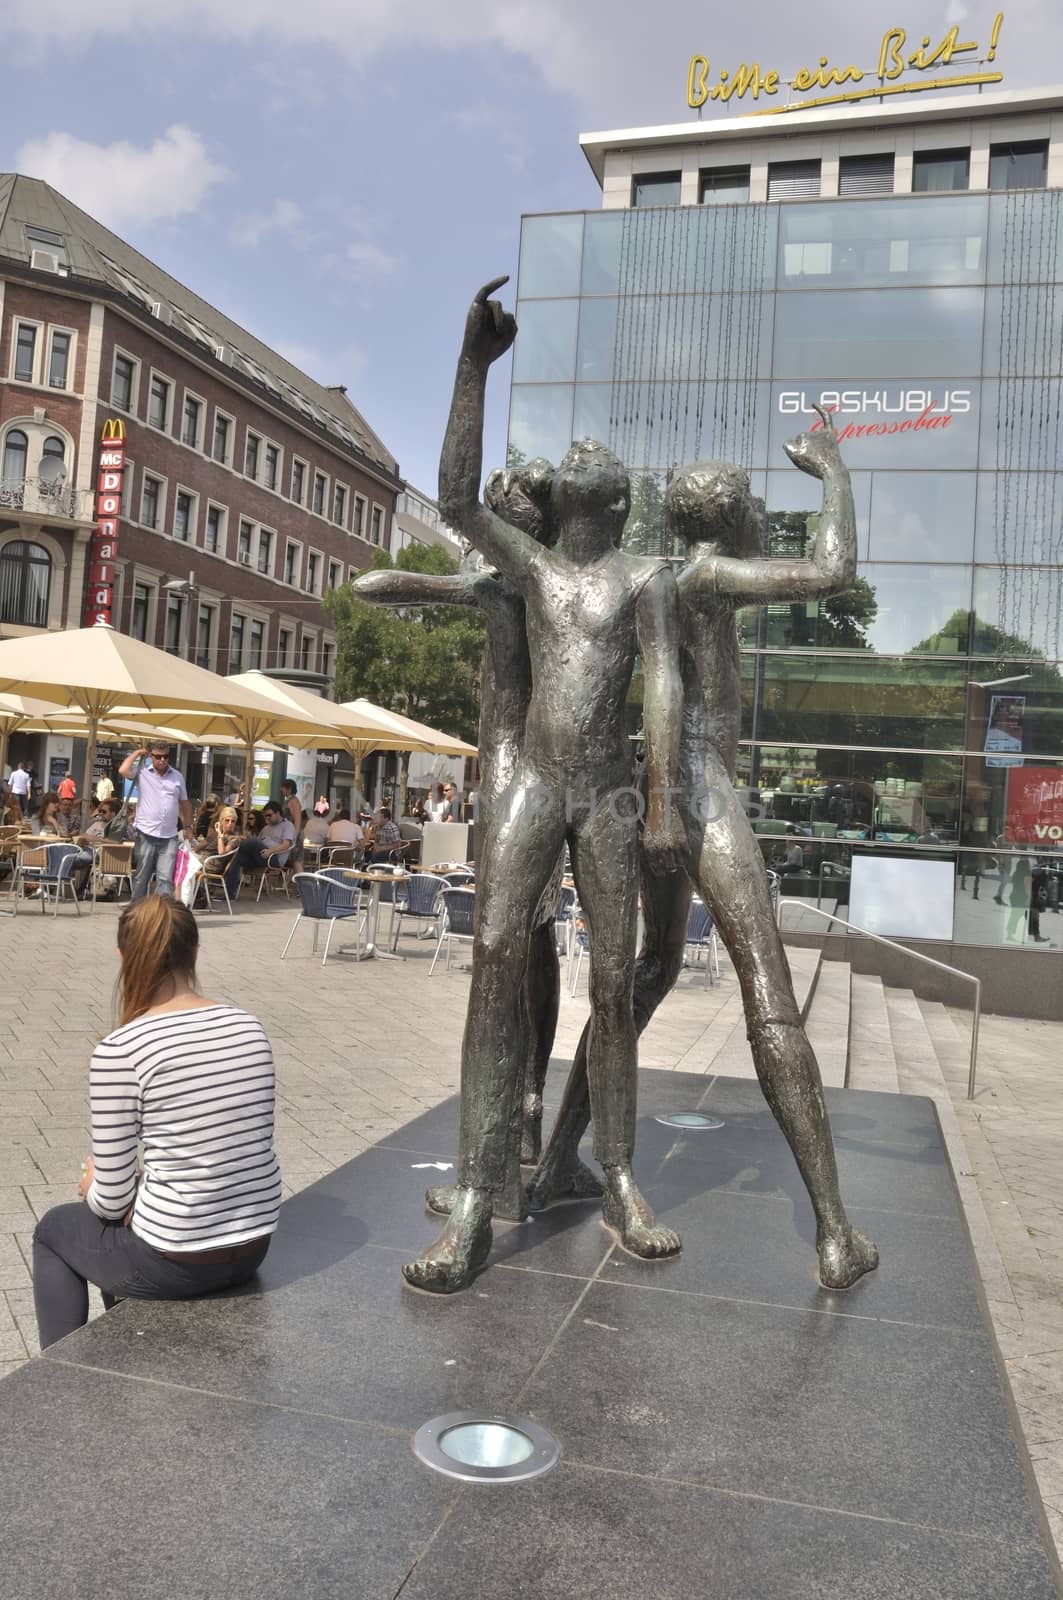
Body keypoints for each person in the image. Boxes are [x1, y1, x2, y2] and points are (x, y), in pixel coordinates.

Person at [532, 413, 878, 1291]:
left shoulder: (660, 575)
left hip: (649, 785)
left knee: (644, 978)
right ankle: (835, 1229)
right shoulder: (708, 573)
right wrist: (831, 471)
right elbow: (835, 568)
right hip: (693, 786)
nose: (763, 520)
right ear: (730, 522)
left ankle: (557, 1160)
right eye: (755, 509)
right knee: (767, 989)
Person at [402, 277, 686, 1293]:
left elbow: (664, 693)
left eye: (590, 463)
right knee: (490, 959)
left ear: (608, 501)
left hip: (608, 796)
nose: (577, 458)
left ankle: (614, 1173)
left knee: (612, 985)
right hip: (538, 786)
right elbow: (451, 497)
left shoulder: (642, 577)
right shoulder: (527, 566)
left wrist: (656, 801)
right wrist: (474, 363)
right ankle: (481, 1195)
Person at [31, 896, 280, 1350]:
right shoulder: (248, 1027)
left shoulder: (121, 1049)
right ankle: (134, 1348)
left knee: (54, 1230)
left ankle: (59, 1381)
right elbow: (229, 1150)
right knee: (130, 1219)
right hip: (253, 1245)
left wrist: (93, 1184)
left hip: (180, 1259)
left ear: (124, 957)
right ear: (196, 951)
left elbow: (110, 1203)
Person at [118, 743, 194, 901]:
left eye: (165, 756)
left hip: (169, 835)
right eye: (158, 756)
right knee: (141, 877)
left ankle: (163, 913)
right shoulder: (142, 773)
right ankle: (137, 911)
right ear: (151, 756)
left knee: (165, 879)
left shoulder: (177, 776)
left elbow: (185, 803)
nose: (162, 760)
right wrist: (137, 753)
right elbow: (123, 770)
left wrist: (188, 827)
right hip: (146, 833)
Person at [70, 798, 132, 900]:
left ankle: (71, 888)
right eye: (100, 811)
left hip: (107, 855)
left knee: (73, 859)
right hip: (89, 850)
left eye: (104, 812)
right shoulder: (97, 823)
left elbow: (121, 843)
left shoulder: (120, 827)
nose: (101, 814)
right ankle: (62, 886)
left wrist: (97, 839)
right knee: (67, 856)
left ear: (113, 813)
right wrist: (83, 838)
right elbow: (85, 834)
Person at [235, 800, 296, 874]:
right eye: (265, 816)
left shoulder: (288, 825)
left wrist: (270, 851)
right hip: (260, 856)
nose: (267, 818)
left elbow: (286, 845)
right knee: (236, 858)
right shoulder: (266, 828)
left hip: (274, 857)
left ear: (278, 813)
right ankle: (230, 884)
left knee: (252, 841)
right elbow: (258, 843)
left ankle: (233, 846)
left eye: (269, 815)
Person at [198, 804, 242, 898]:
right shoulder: (215, 834)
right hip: (203, 861)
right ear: (221, 821)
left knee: (186, 870)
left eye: (233, 821)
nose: (230, 823)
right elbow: (201, 845)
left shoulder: (234, 839)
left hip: (212, 866)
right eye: (227, 820)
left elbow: (221, 852)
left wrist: (219, 835)